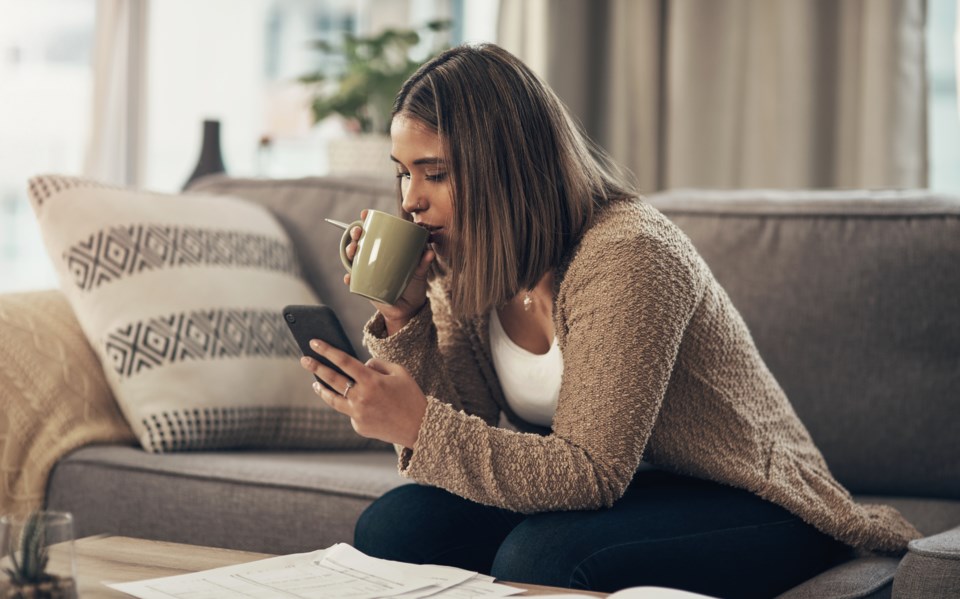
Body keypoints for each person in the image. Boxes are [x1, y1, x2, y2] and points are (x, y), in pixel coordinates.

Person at [299, 43, 920, 597]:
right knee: (397, 525)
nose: (409, 198)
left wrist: (417, 425)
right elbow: (469, 423)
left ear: (507, 167)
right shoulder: (470, 265)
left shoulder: (629, 252)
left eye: (435, 173)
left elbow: (589, 473)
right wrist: (404, 313)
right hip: (634, 495)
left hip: (752, 498)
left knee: (541, 556)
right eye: (403, 173)